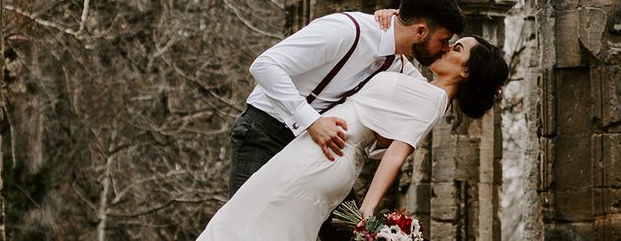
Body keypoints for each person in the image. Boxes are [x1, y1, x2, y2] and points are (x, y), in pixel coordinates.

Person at [198, 36, 508, 241]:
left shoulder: (434, 102)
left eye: (457, 48)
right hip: (325, 153)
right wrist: (390, 21)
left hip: (325, 156)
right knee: (262, 219)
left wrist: (368, 208)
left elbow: (397, 153)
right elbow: (397, 54)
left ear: (467, 71)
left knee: (251, 220)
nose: (446, 47)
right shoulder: (425, 89)